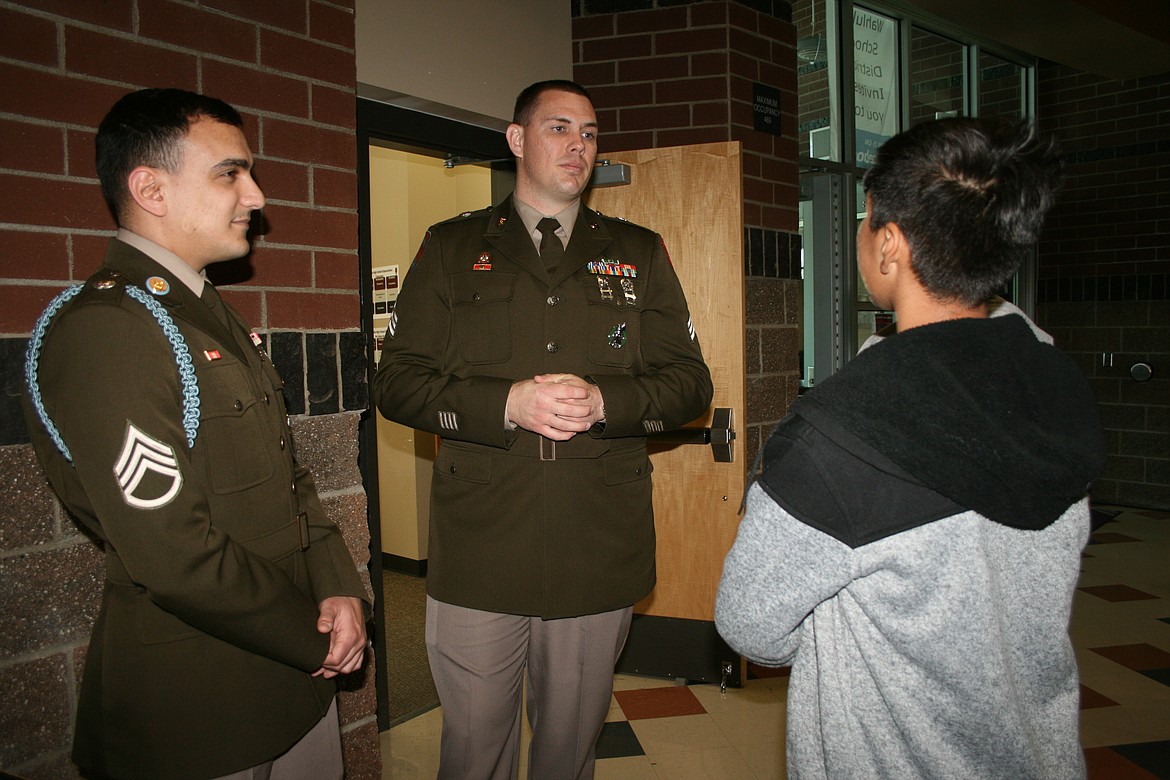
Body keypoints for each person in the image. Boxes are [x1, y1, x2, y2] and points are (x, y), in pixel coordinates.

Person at [715, 117, 1106, 780]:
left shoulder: (844, 431)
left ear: (890, 245)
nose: (864, 238)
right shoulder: (1054, 384)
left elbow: (750, 623)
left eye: (868, 221)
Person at [22, 88, 370, 780]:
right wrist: (313, 634)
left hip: (294, 680)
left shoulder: (207, 315)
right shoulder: (110, 329)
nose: (257, 194)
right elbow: (174, 553)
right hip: (200, 704)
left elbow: (287, 476)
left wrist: (339, 590)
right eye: (230, 173)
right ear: (150, 187)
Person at [372, 79, 712, 779]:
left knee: (567, 751)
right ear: (517, 139)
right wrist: (507, 403)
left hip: (597, 546)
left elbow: (690, 386)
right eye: (559, 128)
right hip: (481, 549)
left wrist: (605, 400)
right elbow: (398, 383)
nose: (577, 146)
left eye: (589, 134)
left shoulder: (639, 251)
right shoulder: (452, 247)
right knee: (473, 752)